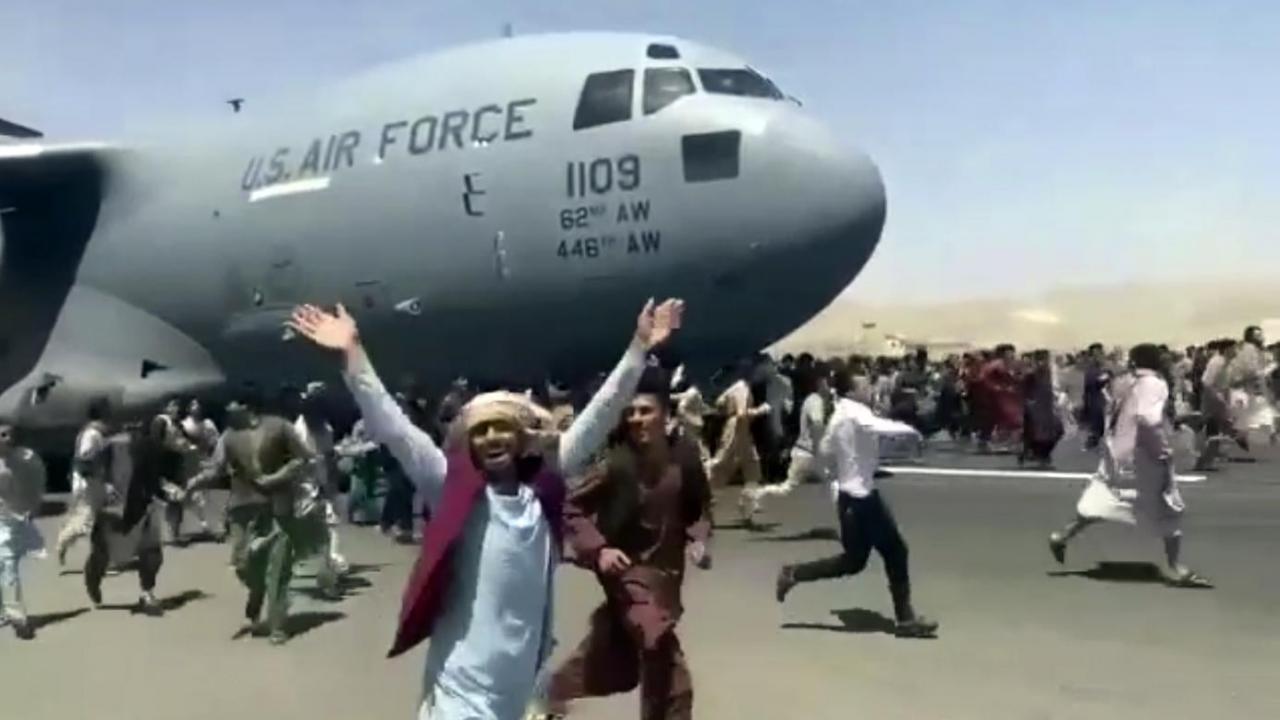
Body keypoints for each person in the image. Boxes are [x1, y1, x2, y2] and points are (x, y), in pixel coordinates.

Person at [286, 298, 682, 720]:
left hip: (521, 686)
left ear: (521, 437)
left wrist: (638, 349)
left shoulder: (543, 489)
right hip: (461, 688)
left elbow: (600, 416)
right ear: (468, 443)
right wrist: (353, 355)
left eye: (502, 428)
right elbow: (396, 431)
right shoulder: (450, 488)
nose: (492, 437)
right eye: (481, 431)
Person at [533, 366, 712, 720]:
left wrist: (699, 539)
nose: (637, 419)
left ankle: (546, 696)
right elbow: (569, 505)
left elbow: (699, 508)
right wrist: (599, 549)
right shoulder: (615, 463)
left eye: (645, 411)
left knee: (611, 658)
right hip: (627, 575)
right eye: (630, 412)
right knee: (665, 662)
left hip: (665, 577)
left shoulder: (685, 456)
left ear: (665, 413)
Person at [774, 374, 939, 639]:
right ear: (851, 391)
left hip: (850, 497)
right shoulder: (855, 412)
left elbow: (825, 450)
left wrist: (843, 471)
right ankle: (906, 619)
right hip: (862, 498)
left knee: (853, 562)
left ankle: (793, 573)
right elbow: (876, 426)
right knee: (896, 551)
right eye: (864, 385)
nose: (870, 389)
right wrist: (912, 431)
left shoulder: (840, 414)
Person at [1048, 344, 1211, 588]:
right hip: (1143, 456)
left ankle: (1062, 536)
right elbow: (1147, 419)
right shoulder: (1154, 384)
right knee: (1169, 509)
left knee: (1105, 495)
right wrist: (1161, 449)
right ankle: (1176, 568)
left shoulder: (1123, 381)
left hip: (1117, 453)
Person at [186, 390, 317, 644]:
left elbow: (304, 458)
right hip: (242, 506)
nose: (228, 408)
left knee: (278, 566)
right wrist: (194, 483)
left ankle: (277, 625)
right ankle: (257, 589)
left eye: (232, 403)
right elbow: (216, 469)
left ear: (246, 406)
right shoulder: (229, 435)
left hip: (278, 505)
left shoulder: (280, 427)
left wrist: (276, 477)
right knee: (243, 564)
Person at [84, 418, 183, 616]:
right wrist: (105, 485)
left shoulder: (155, 450)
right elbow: (87, 467)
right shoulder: (113, 446)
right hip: (115, 510)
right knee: (103, 555)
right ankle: (93, 579)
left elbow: (154, 479)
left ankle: (147, 593)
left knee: (152, 552)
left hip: (144, 507)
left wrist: (167, 490)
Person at [741, 364, 833, 521]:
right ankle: (754, 494)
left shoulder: (812, 399)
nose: (830, 386)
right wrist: (820, 451)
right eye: (827, 382)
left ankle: (755, 494)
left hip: (804, 452)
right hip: (809, 453)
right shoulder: (815, 401)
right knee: (831, 482)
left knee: (788, 488)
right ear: (820, 382)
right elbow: (817, 425)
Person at [0, 424, 47, 640]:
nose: (6, 438)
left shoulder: (26, 458)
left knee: (8, 563)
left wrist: (34, 505)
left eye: (8, 434)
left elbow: (38, 479)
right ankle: (5, 611)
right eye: (1, 434)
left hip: (12, 519)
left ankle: (18, 618)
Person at [55, 399, 113, 565]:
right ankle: (64, 541)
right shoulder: (91, 435)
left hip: (93, 482)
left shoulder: (95, 433)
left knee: (96, 521)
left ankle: (101, 559)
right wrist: (96, 477)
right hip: (88, 484)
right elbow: (83, 460)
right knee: (89, 522)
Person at [1020, 350, 1065, 469]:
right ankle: (1039, 456)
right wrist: (1029, 404)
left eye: (1045, 359)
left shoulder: (1052, 373)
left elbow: (1057, 388)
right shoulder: (1031, 374)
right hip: (1036, 408)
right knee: (1036, 433)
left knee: (1058, 430)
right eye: (1039, 359)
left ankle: (1041, 454)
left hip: (1049, 407)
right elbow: (1023, 390)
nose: (1042, 362)